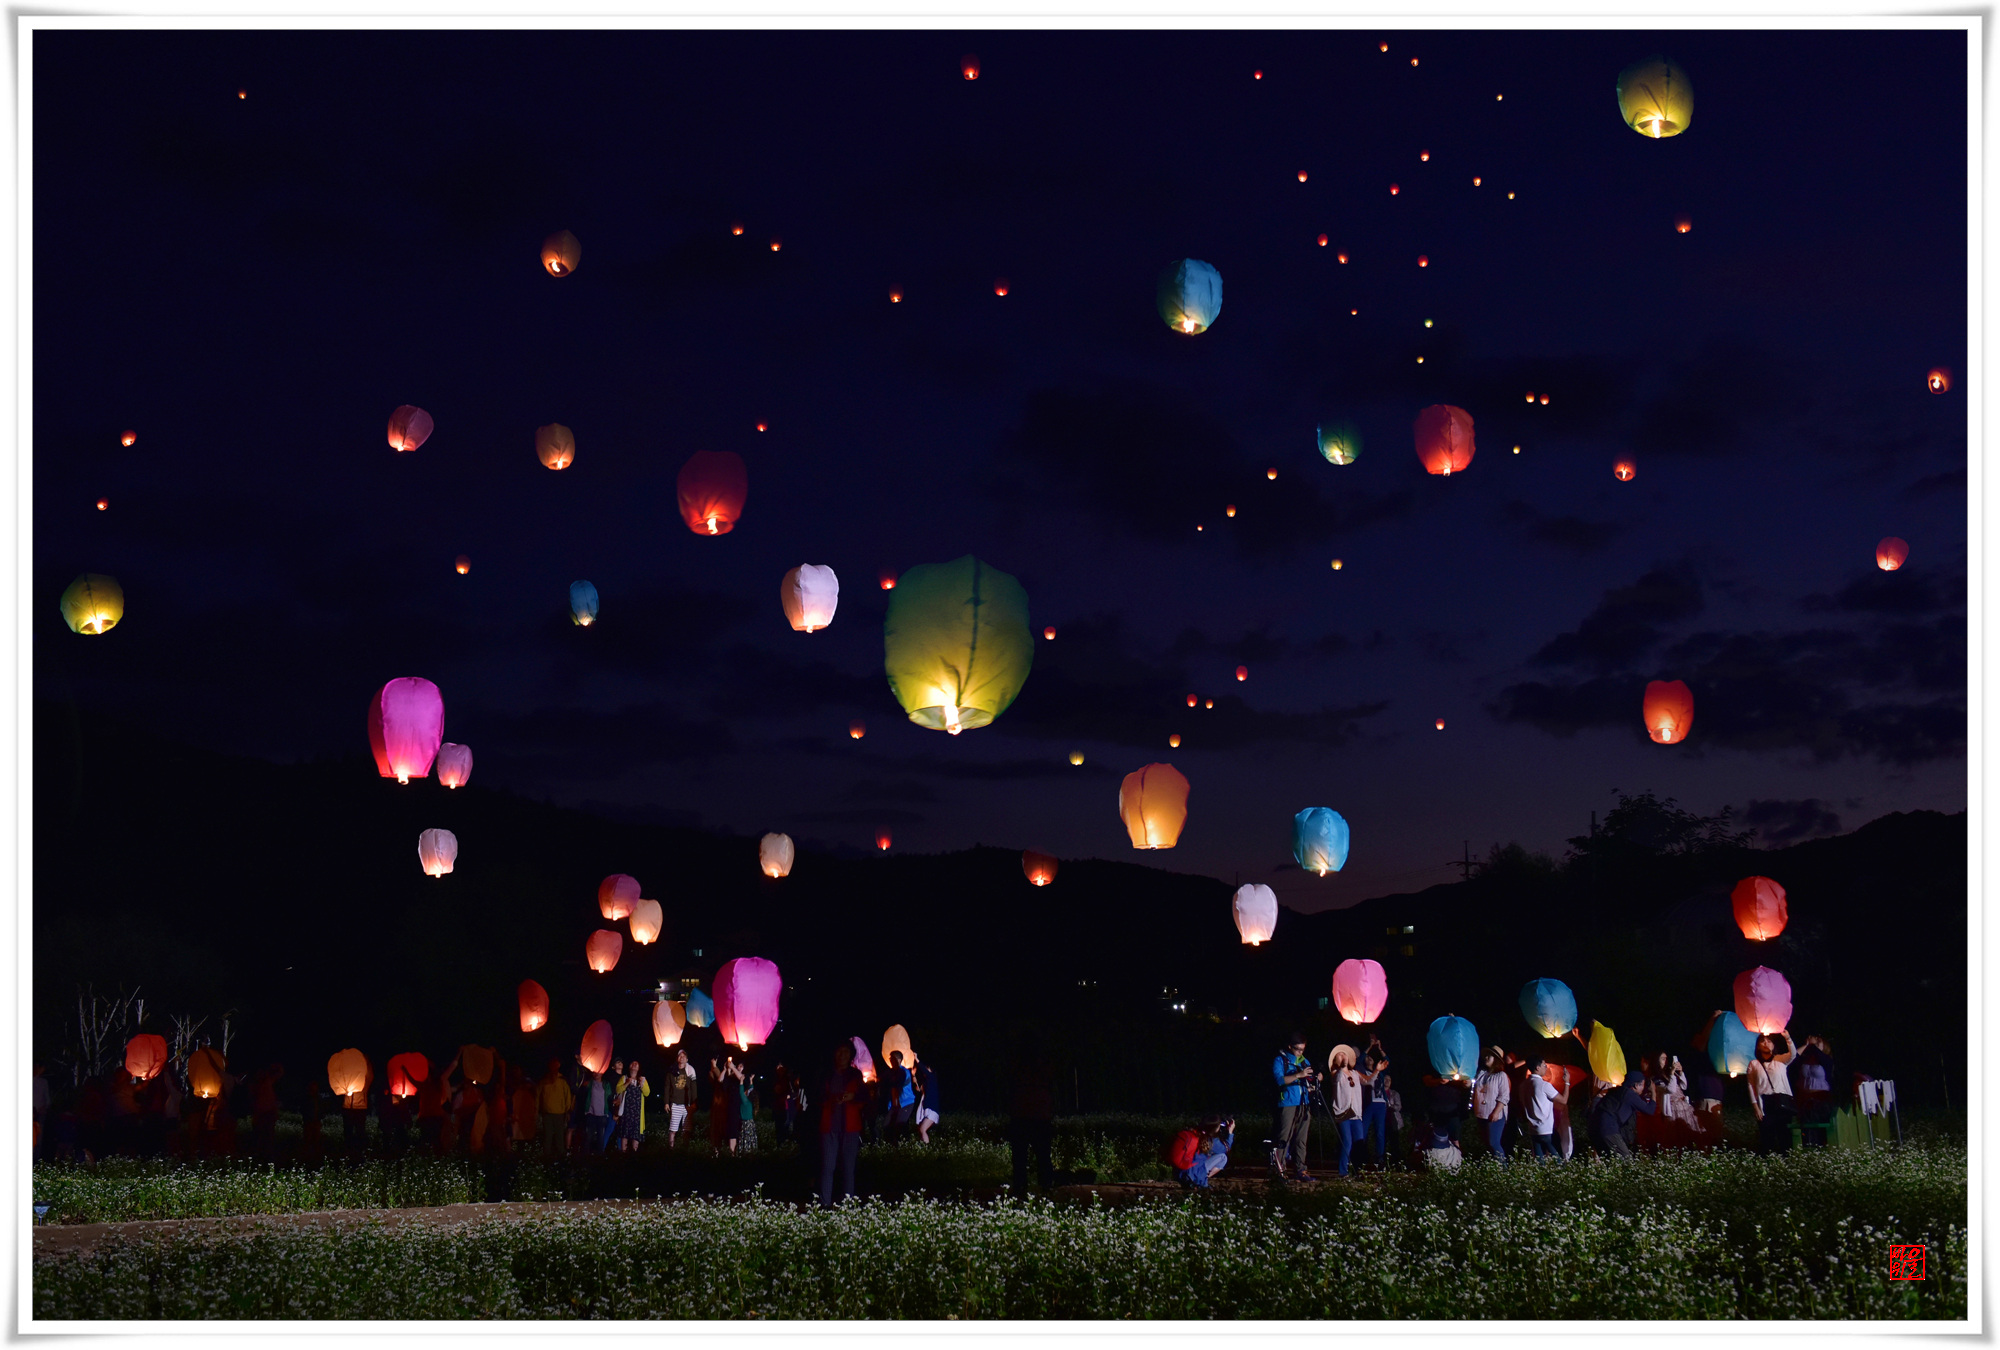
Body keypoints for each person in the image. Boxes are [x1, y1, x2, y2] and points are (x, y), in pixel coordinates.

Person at [818, 1042, 867, 1208]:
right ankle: (824, 1204)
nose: (842, 1055)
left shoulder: (855, 1075)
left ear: (851, 1056)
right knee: (827, 1167)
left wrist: (853, 1096)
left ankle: (848, 1205)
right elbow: (817, 1097)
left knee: (848, 1168)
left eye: (846, 1052)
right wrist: (831, 1099)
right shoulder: (826, 1074)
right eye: (840, 1052)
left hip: (850, 1127)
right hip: (829, 1126)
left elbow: (864, 1097)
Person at [1269, 1032, 1317, 1184]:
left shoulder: (1304, 1061)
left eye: (1303, 1049)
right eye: (1298, 1049)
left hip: (1304, 1103)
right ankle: (1280, 1171)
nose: (1300, 1052)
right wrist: (1299, 1075)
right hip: (1288, 1103)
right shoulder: (1280, 1060)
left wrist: (1313, 1083)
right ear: (1290, 1047)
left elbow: (1307, 1080)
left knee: (1302, 1139)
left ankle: (1301, 1170)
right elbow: (1279, 1080)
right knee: (1284, 1138)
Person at [1007, 1048, 1056, 1191]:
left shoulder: (1019, 1069)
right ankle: (1044, 1186)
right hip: (1037, 1116)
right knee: (1040, 1155)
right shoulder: (1040, 1068)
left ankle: (1023, 1186)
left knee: (1024, 1156)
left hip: (1026, 1116)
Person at [1748, 1031, 1798, 1154]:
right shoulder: (1754, 1064)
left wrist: (1788, 1037)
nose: (1766, 1043)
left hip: (1782, 1101)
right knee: (1767, 1137)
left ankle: (1787, 1162)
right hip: (1766, 1102)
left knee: (1785, 1136)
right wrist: (1756, 1107)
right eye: (1763, 1041)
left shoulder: (1780, 1060)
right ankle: (1767, 1163)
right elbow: (1751, 1086)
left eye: (1769, 1041)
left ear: (1773, 1045)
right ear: (1758, 1046)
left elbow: (1793, 1054)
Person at [1588, 1073, 1656, 1158]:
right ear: (1635, 1085)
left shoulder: (1617, 1091)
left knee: (1609, 1161)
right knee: (1625, 1160)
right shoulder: (1629, 1094)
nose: (1643, 1088)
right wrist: (1653, 1091)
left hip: (1593, 1129)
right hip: (1608, 1129)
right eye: (1642, 1085)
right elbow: (1650, 1110)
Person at [1325, 1045, 1367, 1177]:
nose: (1343, 1057)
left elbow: (1368, 1081)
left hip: (1356, 1112)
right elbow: (1336, 1079)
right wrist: (1342, 1068)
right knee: (1347, 1141)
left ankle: (1358, 1171)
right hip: (1343, 1112)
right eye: (1340, 1055)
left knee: (1359, 1142)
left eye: (1345, 1055)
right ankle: (1343, 1171)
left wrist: (1376, 1071)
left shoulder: (1354, 1073)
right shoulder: (1334, 1073)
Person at [1791, 1036, 1836, 1149]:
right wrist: (1806, 1045)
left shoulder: (1827, 1060)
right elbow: (1793, 1058)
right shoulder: (1805, 1060)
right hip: (1804, 1098)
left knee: (1819, 1128)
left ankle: (1821, 1149)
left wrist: (1812, 1045)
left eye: (1818, 1043)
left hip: (1821, 1099)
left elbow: (1822, 1058)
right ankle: (1809, 1151)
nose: (1814, 1045)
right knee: (1806, 1129)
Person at [1172, 1115, 1234, 1189]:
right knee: (1223, 1157)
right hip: (1193, 1174)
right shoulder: (1211, 1141)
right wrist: (1230, 1132)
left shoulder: (1194, 1132)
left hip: (1179, 1173)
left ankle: (1191, 1180)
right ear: (1215, 1128)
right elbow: (1226, 1148)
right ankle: (1200, 1180)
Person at [1471, 1048, 1511, 1163]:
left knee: (1494, 1142)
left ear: (1496, 1060)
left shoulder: (1501, 1075)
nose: (1486, 1058)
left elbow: (1504, 1096)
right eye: (1486, 1056)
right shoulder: (1482, 1074)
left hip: (1494, 1115)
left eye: (1489, 1056)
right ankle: (1493, 1167)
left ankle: (1503, 1168)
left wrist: (1496, 1112)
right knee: (1487, 1143)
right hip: (1481, 1114)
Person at [1520, 1057, 1561, 1160]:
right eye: (1544, 1065)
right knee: (1556, 1157)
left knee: (1539, 1159)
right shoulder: (1544, 1085)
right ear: (1537, 1068)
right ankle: (1565, 1171)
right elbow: (1563, 1100)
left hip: (1533, 1128)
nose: (1546, 1068)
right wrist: (1567, 1082)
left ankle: (1541, 1174)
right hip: (1545, 1128)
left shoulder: (1523, 1085)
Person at [1359, 1036, 1391, 1165]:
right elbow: (1359, 1060)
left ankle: (1380, 1158)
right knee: (1363, 1131)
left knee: (1380, 1132)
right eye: (1368, 1057)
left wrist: (1379, 1048)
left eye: (1371, 1056)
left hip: (1381, 1103)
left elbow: (1387, 1060)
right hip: (1369, 1104)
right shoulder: (1362, 1071)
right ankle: (1361, 1157)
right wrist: (1369, 1047)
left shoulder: (1380, 1071)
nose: (1369, 1058)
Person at [537, 1059, 573, 1161]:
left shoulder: (562, 1081)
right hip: (547, 1113)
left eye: (556, 1066)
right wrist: (537, 1109)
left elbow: (567, 1096)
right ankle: (546, 1156)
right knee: (547, 1136)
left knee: (559, 1136)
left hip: (559, 1113)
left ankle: (560, 1156)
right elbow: (538, 1095)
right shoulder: (544, 1081)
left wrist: (567, 1110)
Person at [664, 1050, 698, 1148]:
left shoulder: (690, 1071)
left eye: (684, 1056)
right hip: (675, 1104)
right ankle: (671, 1149)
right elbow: (667, 1087)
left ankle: (685, 1150)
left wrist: (694, 1102)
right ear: (677, 1058)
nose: (682, 1057)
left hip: (687, 1105)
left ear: (687, 1059)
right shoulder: (671, 1071)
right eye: (680, 1055)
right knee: (673, 1130)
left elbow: (694, 1087)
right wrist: (666, 1102)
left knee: (686, 1130)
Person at [614, 1060, 648, 1153]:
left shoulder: (642, 1079)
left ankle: (634, 1155)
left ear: (639, 1068)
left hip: (637, 1113)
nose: (634, 1064)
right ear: (629, 1067)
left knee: (635, 1135)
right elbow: (618, 1090)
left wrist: (642, 1084)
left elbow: (647, 1093)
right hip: (626, 1112)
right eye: (632, 1063)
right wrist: (626, 1083)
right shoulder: (624, 1078)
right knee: (624, 1134)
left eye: (637, 1064)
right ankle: (623, 1154)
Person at [882, 1051, 916, 1143]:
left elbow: (897, 1085)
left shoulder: (903, 1072)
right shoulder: (891, 1072)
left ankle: (903, 1146)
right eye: (890, 1059)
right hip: (895, 1105)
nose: (891, 1061)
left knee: (898, 1125)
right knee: (886, 1125)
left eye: (893, 1059)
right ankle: (893, 1146)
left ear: (899, 1060)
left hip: (906, 1103)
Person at [1380, 1073, 1405, 1169]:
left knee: (1395, 1143)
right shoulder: (1379, 1093)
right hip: (1382, 1121)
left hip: (1393, 1121)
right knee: (1383, 1142)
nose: (1387, 1081)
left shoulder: (1394, 1093)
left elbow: (1398, 1106)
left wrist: (1389, 1106)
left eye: (1389, 1080)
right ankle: (1382, 1161)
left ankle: (1396, 1163)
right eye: (1385, 1079)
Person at [913, 1059, 940, 1143]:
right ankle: (923, 1147)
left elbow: (926, 1072)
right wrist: (913, 1076)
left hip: (932, 1109)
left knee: (922, 1129)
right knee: (920, 1129)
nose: (925, 1071)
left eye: (927, 1069)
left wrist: (917, 1059)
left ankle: (926, 1149)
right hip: (925, 1109)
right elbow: (918, 1089)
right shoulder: (926, 1083)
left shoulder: (932, 1078)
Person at [770, 1062, 795, 1144]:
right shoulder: (775, 1080)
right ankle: (780, 1144)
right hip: (778, 1106)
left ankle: (785, 1143)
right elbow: (775, 1091)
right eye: (778, 1068)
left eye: (781, 1068)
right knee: (779, 1126)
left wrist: (788, 1096)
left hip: (785, 1106)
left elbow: (791, 1092)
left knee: (785, 1126)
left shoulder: (787, 1080)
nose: (780, 1070)